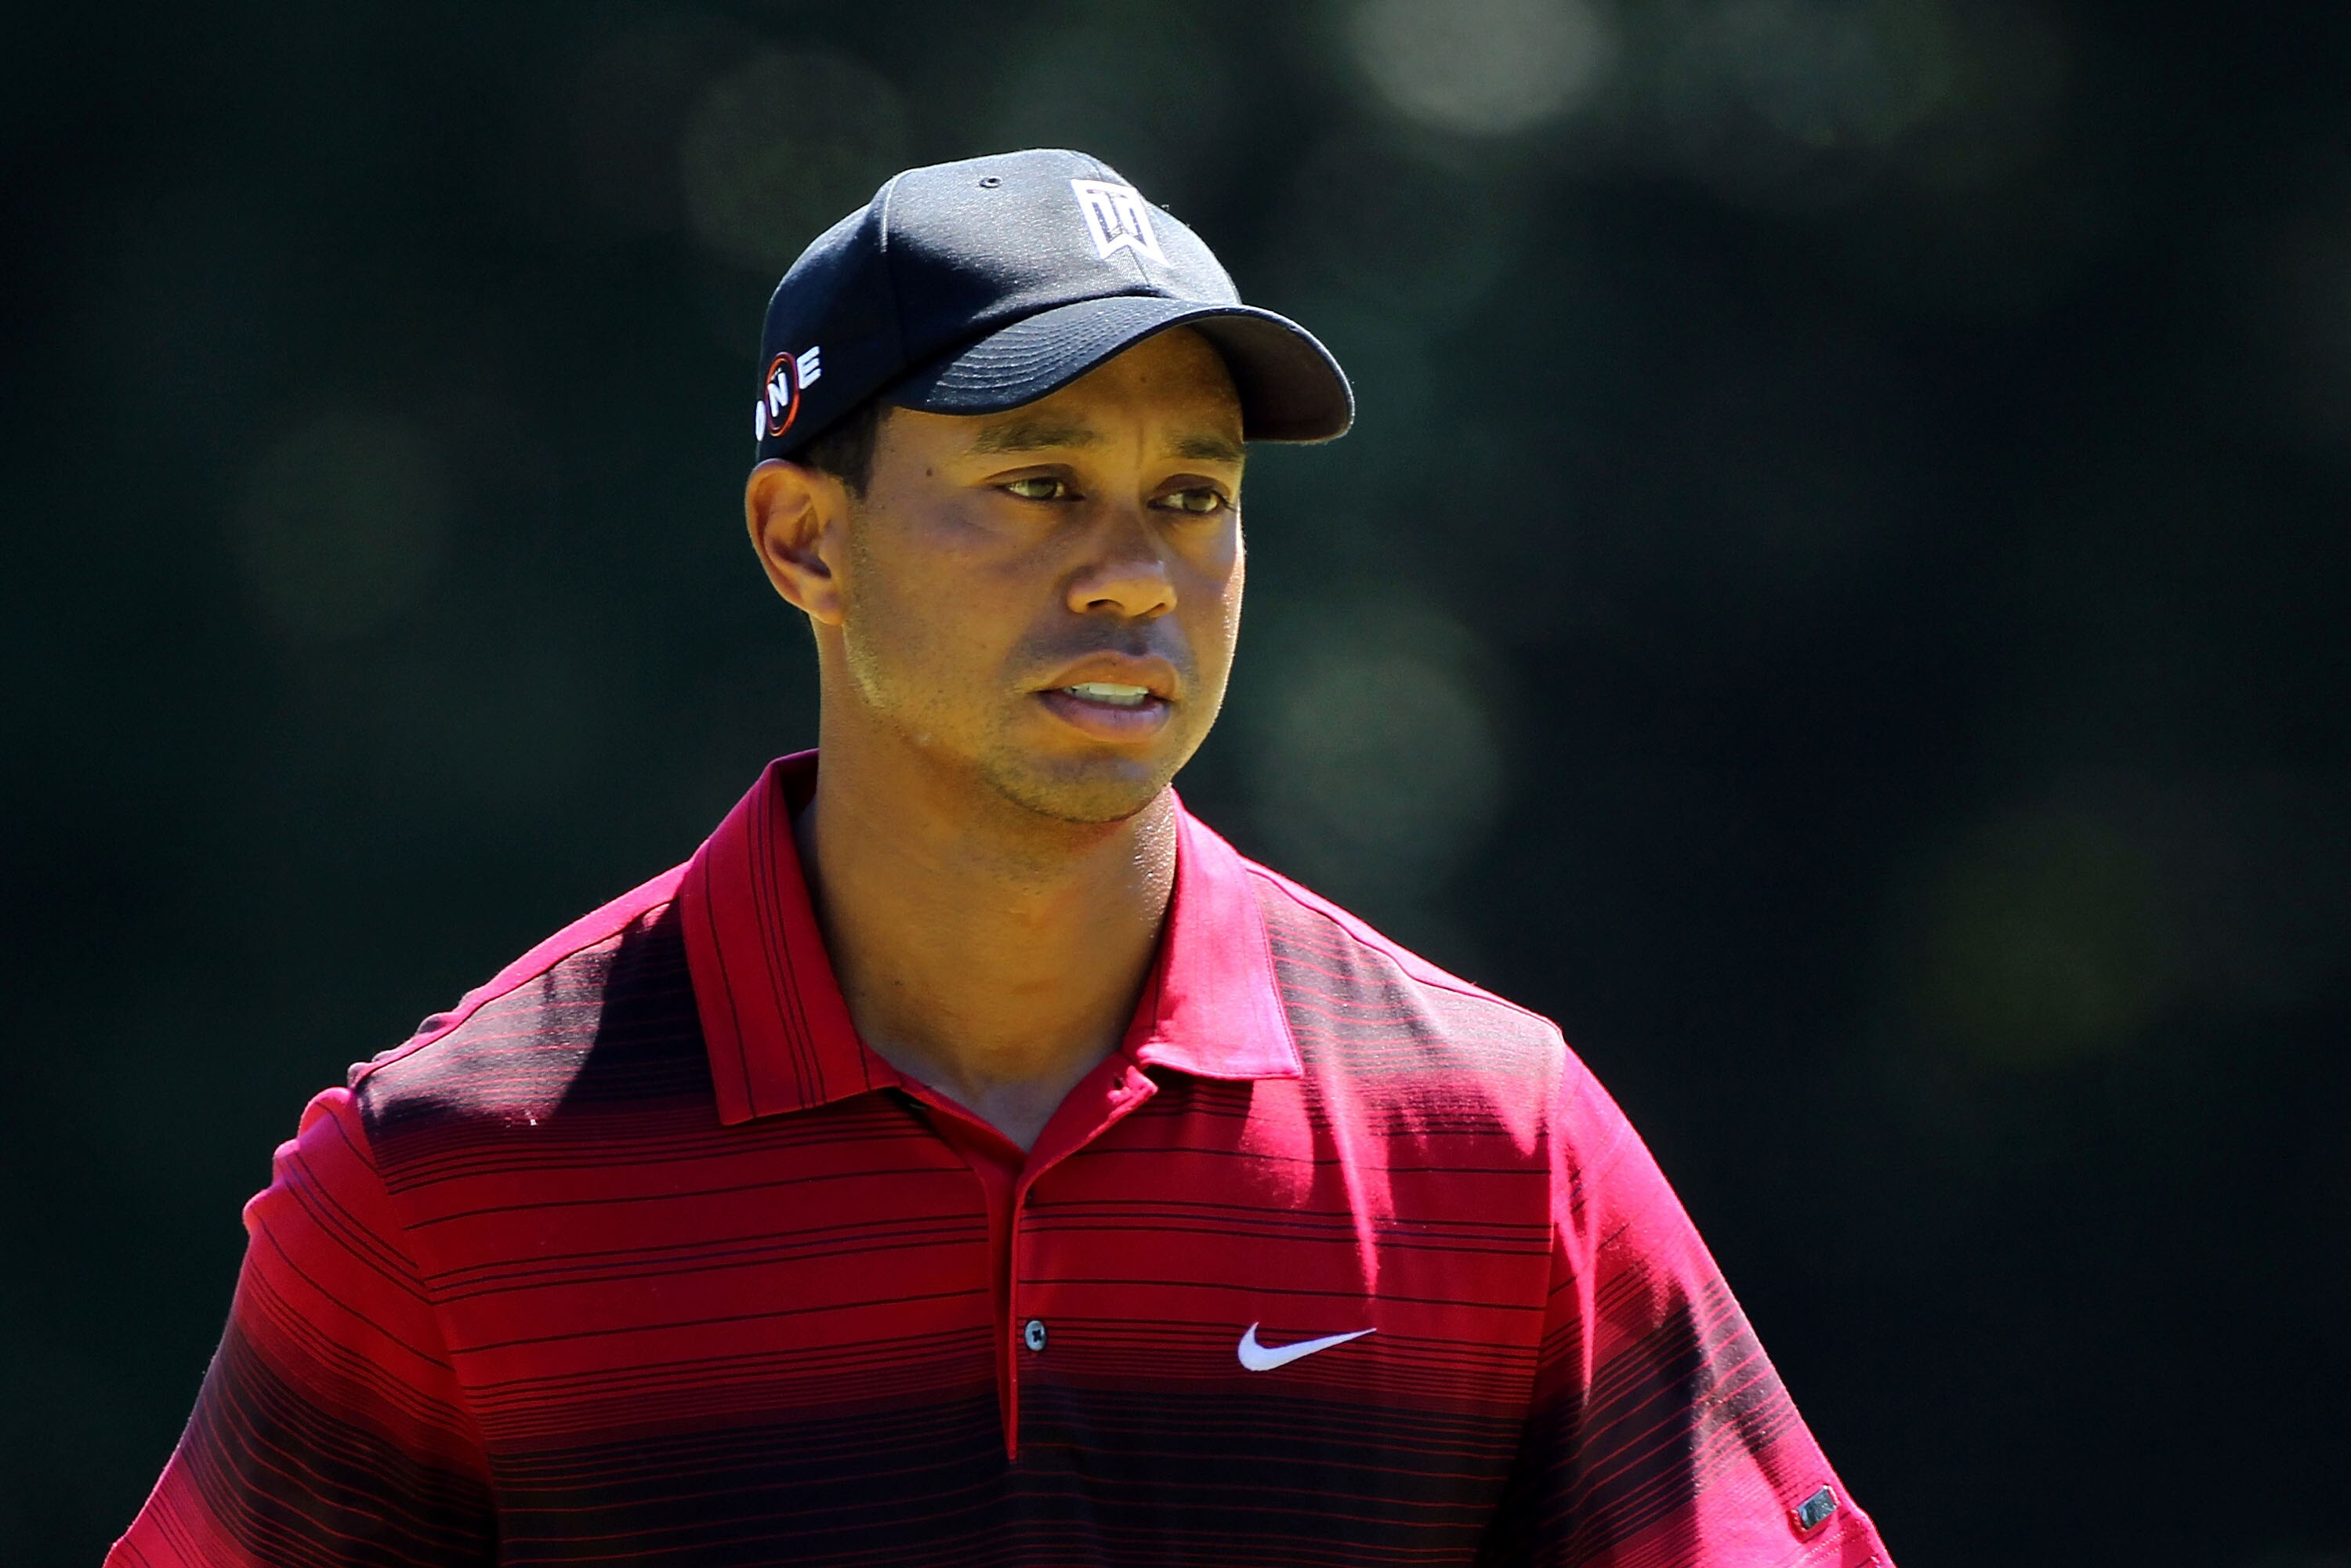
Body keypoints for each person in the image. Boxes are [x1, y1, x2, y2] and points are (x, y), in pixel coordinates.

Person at [110, 149, 1893, 1567]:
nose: (1136, 569)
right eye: (1042, 484)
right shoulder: (445, 1185)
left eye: (1194, 495)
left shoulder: (1491, 1142)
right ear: (803, 536)